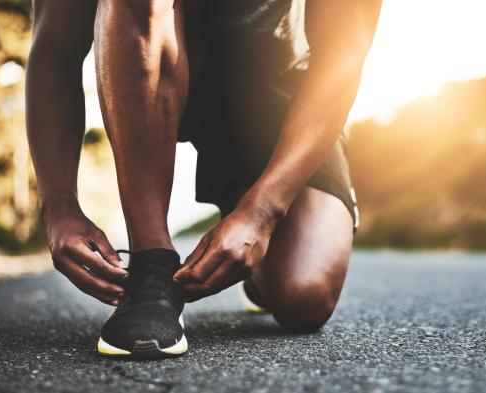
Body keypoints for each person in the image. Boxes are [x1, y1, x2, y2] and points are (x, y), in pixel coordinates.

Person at [26, 0, 381, 359]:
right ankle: (152, 267)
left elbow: (344, 52)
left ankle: (254, 214)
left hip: (274, 98)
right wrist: (58, 206)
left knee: (303, 295)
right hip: (145, 62)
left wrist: (262, 213)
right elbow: (55, 46)